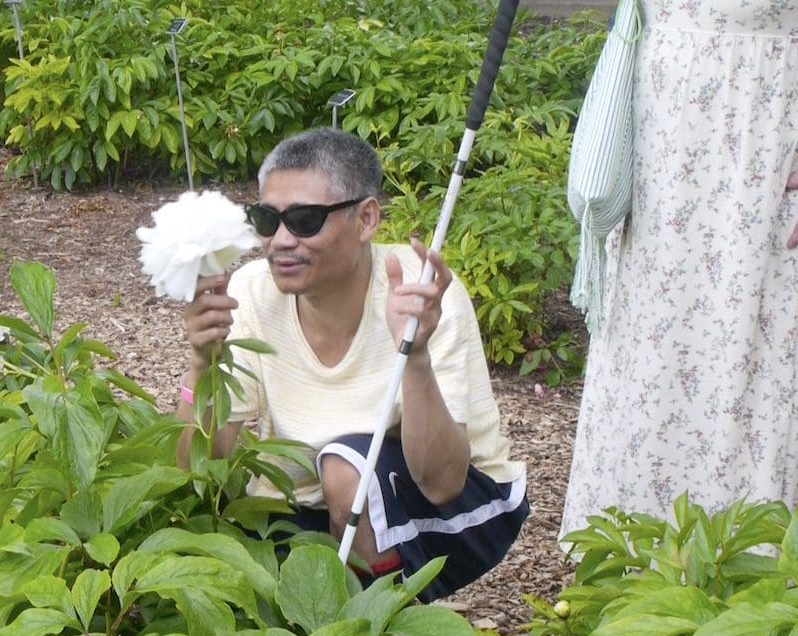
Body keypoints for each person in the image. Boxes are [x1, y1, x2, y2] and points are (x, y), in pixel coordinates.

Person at [175, 128, 528, 601]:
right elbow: (195, 472)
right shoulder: (252, 293)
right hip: (311, 506)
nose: (280, 240)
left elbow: (444, 482)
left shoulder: (417, 294)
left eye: (304, 219)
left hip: (461, 510)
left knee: (346, 469)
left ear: (366, 219)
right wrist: (202, 362)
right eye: (266, 218)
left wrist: (416, 356)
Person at [560, 1, 798, 539]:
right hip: (667, 134)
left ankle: (758, 581)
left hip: (771, 125)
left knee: (760, 359)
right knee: (658, 349)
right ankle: (635, 576)